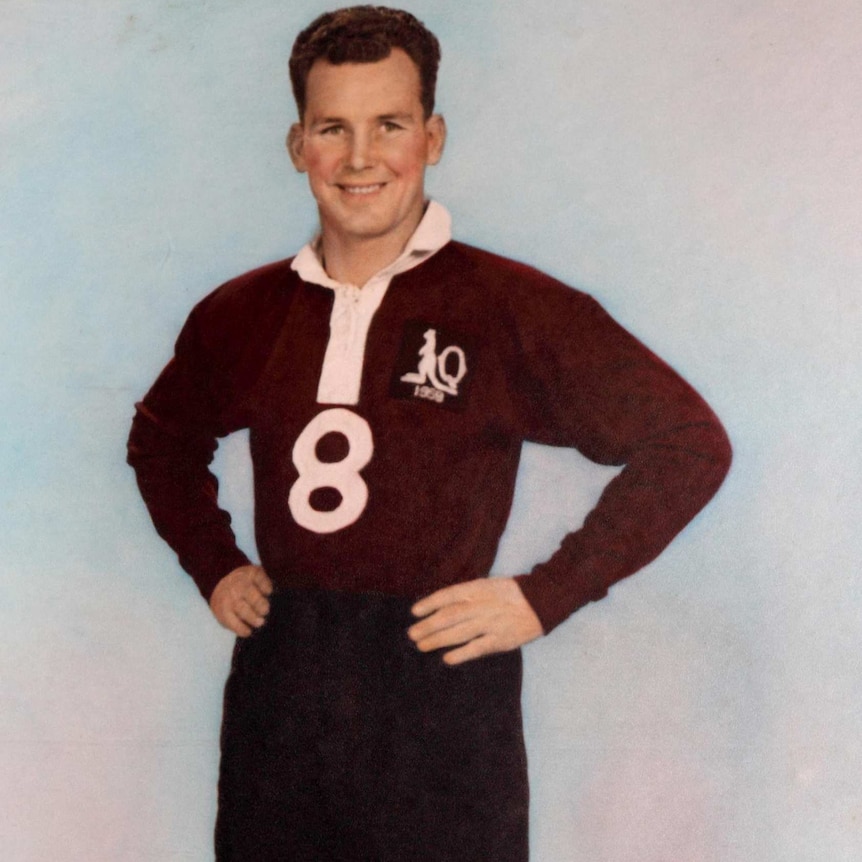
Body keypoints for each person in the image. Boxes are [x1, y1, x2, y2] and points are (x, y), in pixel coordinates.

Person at [127, 6, 732, 861]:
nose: (362, 157)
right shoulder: (243, 313)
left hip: (439, 693)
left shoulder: (509, 306)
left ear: (433, 135)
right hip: (283, 686)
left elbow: (689, 442)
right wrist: (213, 562)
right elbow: (160, 441)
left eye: (390, 125)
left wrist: (544, 594)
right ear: (298, 144)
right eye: (333, 128)